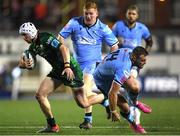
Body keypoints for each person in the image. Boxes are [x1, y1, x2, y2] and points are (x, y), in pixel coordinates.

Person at [18, 22, 106, 133]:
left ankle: (105, 96)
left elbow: (64, 48)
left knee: (83, 103)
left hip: (71, 69)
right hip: (57, 71)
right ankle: (52, 125)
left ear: (31, 33)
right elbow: (22, 62)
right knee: (40, 95)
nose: (23, 38)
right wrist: (23, 65)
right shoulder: (33, 47)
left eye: (25, 35)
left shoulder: (46, 38)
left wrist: (67, 66)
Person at [57, 1, 119, 129]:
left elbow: (114, 46)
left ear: (97, 14)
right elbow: (61, 36)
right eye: (86, 13)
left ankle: (91, 117)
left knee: (84, 93)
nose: (88, 16)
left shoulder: (103, 28)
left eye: (91, 13)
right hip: (76, 65)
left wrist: (109, 62)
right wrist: (62, 48)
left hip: (94, 64)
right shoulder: (74, 22)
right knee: (83, 97)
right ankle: (104, 102)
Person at [93, 46, 149, 134]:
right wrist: (113, 111)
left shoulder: (129, 51)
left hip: (111, 71)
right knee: (125, 108)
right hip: (102, 80)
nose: (144, 63)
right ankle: (134, 124)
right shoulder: (123, 68)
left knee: (135, 87)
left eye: (145, 60)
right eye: (142, 60)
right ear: (134, 58)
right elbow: (112, 93)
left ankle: (135, 103)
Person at [112, 4, 153, 113]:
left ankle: (133, 106)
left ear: (137, 16)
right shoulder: (118, 26)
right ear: (126, 14)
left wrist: (144, 53)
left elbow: (149, 41)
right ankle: (133, 104)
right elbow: (110, 40)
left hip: (134, 62)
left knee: (130, 81)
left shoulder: (142, 28)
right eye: (129, 13)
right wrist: (116, 42)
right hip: (121, 60)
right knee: (126, 86)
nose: (131, 16)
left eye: (133, 14)